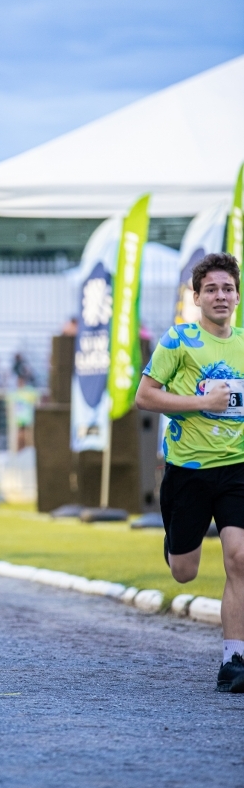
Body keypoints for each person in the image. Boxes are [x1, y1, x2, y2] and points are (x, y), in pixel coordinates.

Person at [136, 252, 244, 694]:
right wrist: (203, 403)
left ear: (237, 296)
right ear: (196, 297)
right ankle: (176, 542)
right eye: (211, 289)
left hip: (237, 467)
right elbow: (145, 396)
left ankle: (233, 661)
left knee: (239, 558)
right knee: (184, 571)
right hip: (188, 470)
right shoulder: (179, 340)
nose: (221, 296)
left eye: (228, 288)